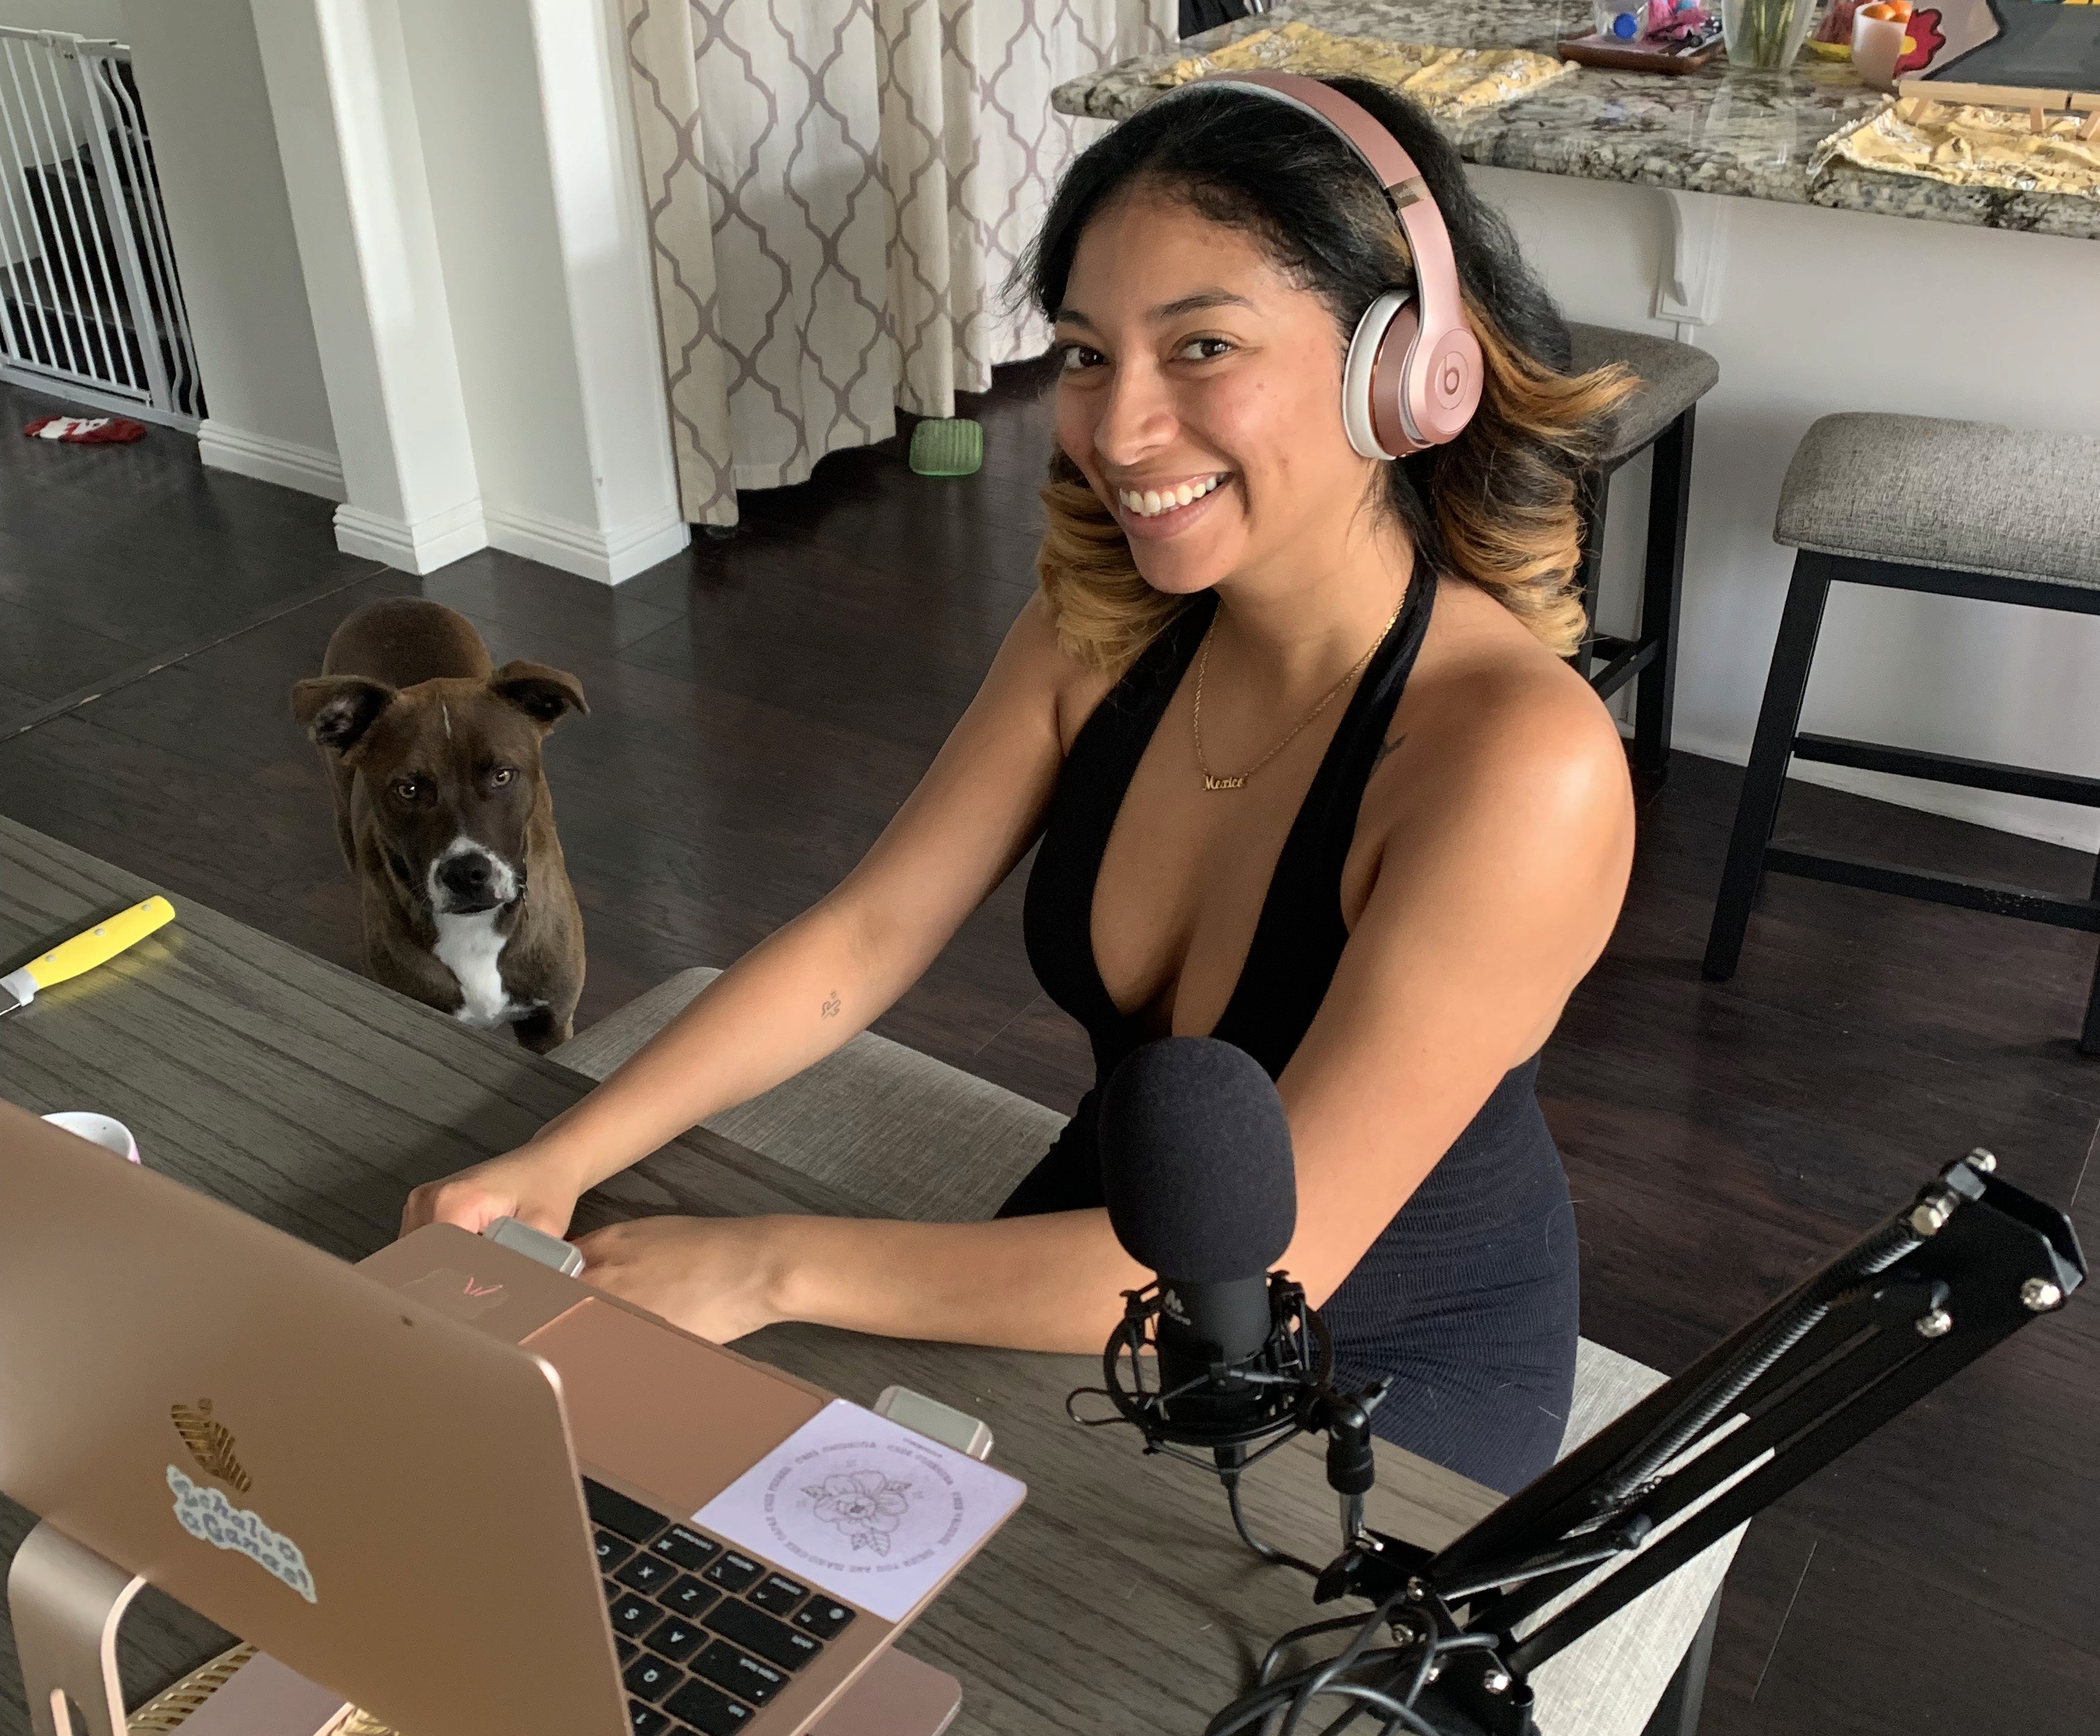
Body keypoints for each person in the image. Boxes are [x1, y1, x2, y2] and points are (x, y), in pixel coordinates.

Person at [403, 76, 1635, 1489]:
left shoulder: (1520, 762)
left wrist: (765, 1265)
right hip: (1111, 1232)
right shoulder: (1101, 630)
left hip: (1382, 1366)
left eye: (1204, 346)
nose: (1118, 432)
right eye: (1090, 356)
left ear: (1405, 367)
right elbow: (863, 941)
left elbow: (1289, 1255)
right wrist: (559, 1157)